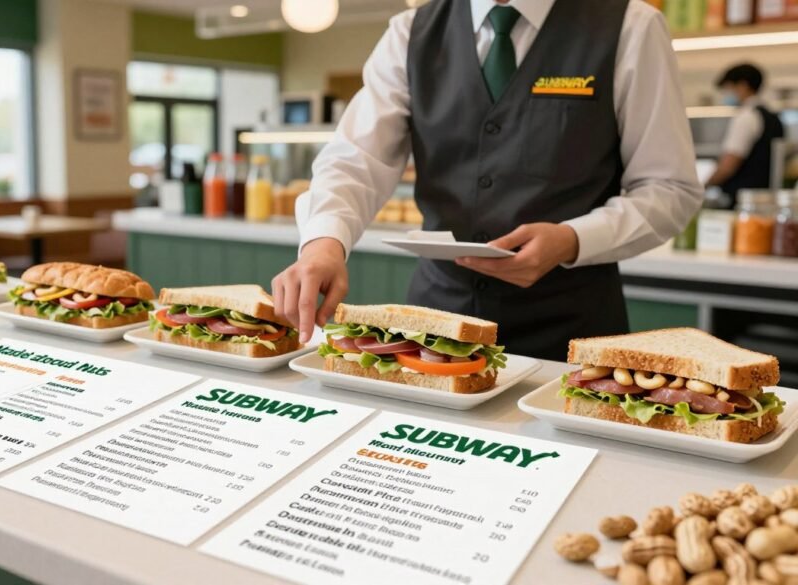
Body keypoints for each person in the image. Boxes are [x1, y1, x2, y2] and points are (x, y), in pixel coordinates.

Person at [271, 0, 704, 360]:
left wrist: (572, 239)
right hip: (432, 324)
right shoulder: (409, 33)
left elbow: (670, 188)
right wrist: (323, 243)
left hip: (570, 332)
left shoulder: (630, 26)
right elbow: (355, 160)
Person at [705, 63, 785, 208]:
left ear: (742, 85)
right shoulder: (773, 117)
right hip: (767, 199)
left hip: (743, 202)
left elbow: (728, 165)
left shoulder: (746, 117)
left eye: (728, 88)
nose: (726, 95)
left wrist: (704, 185)